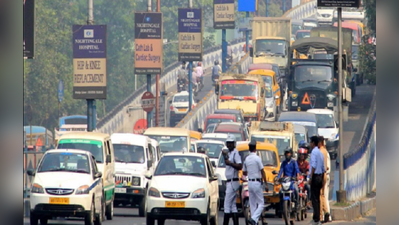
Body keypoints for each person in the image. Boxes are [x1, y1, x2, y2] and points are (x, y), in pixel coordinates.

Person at [243, 140, 268, 225]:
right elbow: (262, 171)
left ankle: (254, 222)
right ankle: (254, 219)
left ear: (249, 148)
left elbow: (244, 172)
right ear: (255, 148)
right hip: (257, 182)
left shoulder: (246, 159)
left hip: (249, 182)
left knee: (252, 204)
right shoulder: (257, 158)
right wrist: (266, 184)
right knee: (261, 203)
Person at [222, 134, 242, 225]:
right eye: (228, 143)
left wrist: (230, 163)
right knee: (233, 206)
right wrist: (225, 156)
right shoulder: (230, 153)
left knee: (226, 205)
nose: (229, 145)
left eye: (231, 143)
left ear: (234, 144)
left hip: (233, 181)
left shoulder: (235, 153)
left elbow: (239, 166)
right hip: (230, 181)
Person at [308, 136, 326, 225]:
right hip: (320, 177)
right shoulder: (320, 153)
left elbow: (313, 166)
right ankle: (318, 217)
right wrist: (322, 179)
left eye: (310, 142)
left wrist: (310, 177)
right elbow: (324, 168)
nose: (310, 144)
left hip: (315, 177)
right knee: (318, 198)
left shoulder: (314, 153)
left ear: (313, 143)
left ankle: (316, 219)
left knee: (314, 199)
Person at [277, 147, 300, 211]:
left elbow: (297, 170)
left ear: (291, 154)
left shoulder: (294, 162)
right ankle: (281, 207)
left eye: (289, 153)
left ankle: (297, 204)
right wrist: (278, 178)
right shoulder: (283, 163)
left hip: (292, 180)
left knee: (296, 190)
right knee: (280, 192)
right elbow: (281, 171)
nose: (287, 154)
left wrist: (297, 177)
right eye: (286, 153)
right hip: (285, 181)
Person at [318, 136, 331, 223]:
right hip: (326, 175)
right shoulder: (326, 152)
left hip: (322, 175)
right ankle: (326, 213)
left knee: (321, 196)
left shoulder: (321, 152)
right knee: (324, 196)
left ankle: (322, 216)